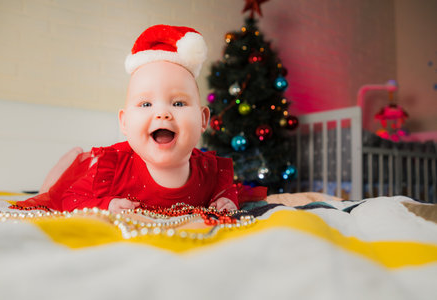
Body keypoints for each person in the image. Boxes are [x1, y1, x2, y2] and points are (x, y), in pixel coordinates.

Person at [15, 25, 267, 214]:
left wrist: (227, 200)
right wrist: (106, 204)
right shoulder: (110, 170)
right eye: (146, 104)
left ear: (203, 119)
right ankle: (66, 162)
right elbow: (68, 198)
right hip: (80, 176)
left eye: (178, 103)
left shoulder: (210, 171)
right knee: (50, 192)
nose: (162, 113)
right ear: (124, 123)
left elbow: (228, 190)